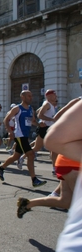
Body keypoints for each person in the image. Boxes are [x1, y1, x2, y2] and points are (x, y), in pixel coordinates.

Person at [44, 99, 82, 252]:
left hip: (69, 159)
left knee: (67, 201)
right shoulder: (48, 104)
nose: (55, 96)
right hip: (68, 159)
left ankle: (31, 203)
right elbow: (54, 138)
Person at [0, 90, 47, 187]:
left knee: (16, 156)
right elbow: (6, 119)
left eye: (31, 96)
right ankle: (34, 179)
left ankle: (1, 168)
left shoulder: (31, 109)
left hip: (25, 135)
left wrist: (39, 124)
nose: (31, 98)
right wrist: (10, 131)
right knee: (30, 155)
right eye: (28, 96)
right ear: (22, 97)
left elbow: (33, 121)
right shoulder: (17, 108)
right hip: (19, 135)